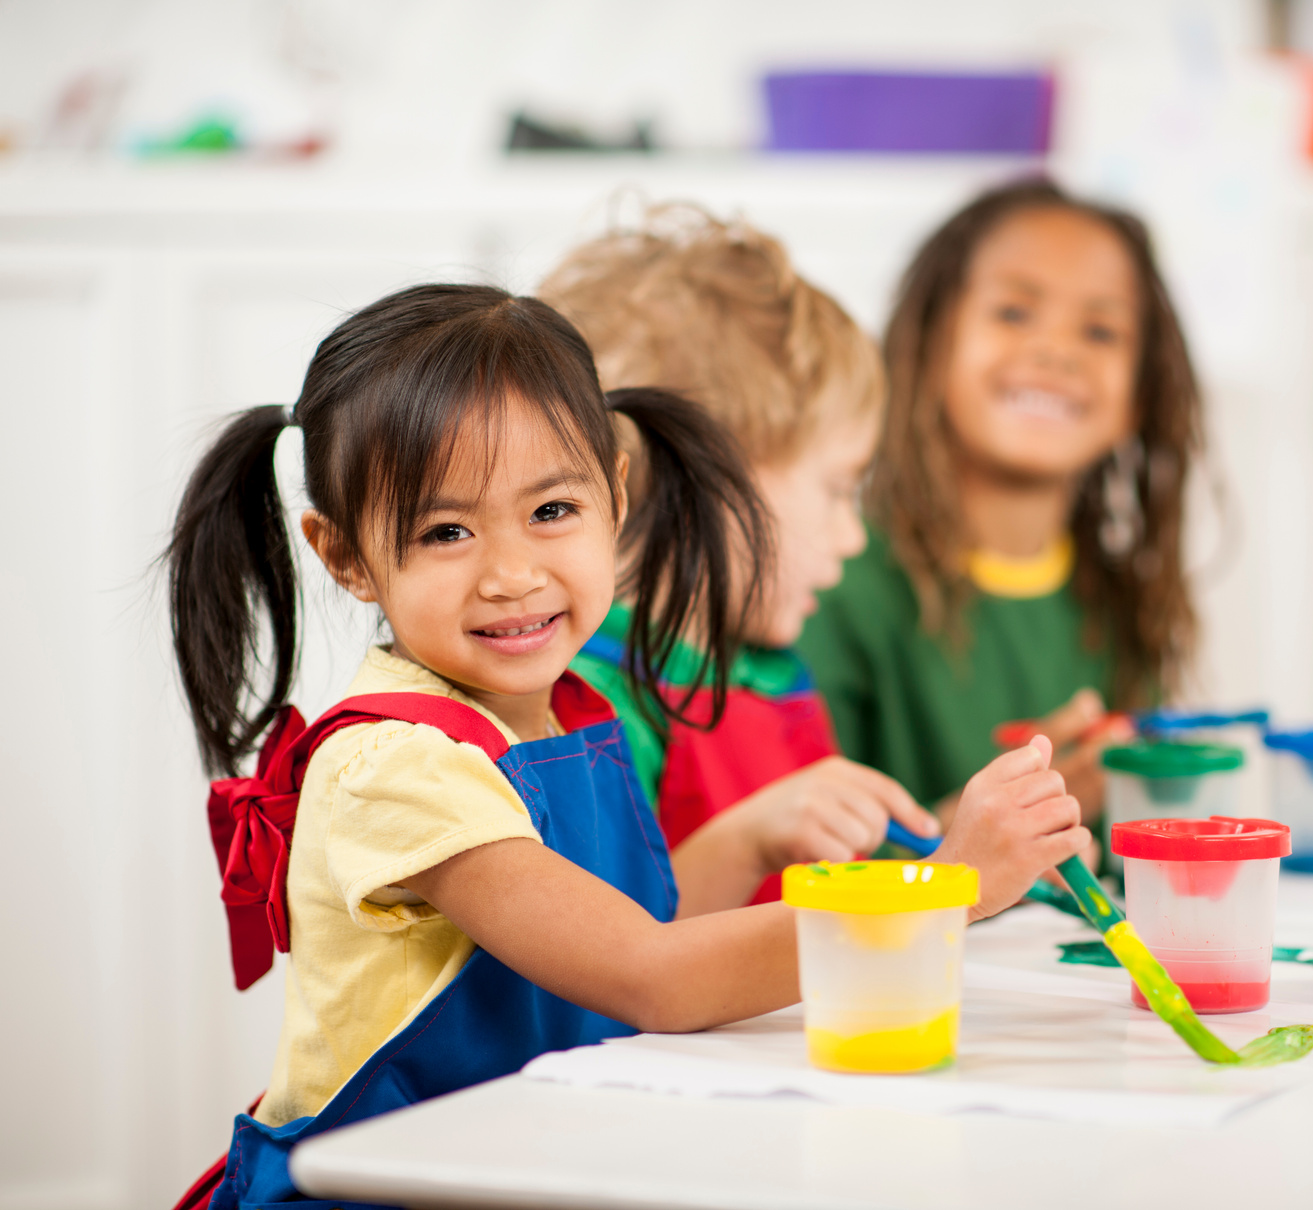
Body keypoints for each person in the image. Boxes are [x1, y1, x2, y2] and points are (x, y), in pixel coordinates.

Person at [167, 283, 1089, 1209]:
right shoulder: (400, 765)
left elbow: (606, 937)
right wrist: (948, 891)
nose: (513, 574)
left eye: (552, 512)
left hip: (529, 1163)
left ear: (613, 493)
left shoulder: (561, 709)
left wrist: (749, 837)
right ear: (345, 555)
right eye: (446, 531)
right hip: (381, 1190)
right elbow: (649, 975)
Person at [540, 206, 934, 913]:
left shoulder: (767, 674)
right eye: (838, 489)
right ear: (710, 480)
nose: (854, 536)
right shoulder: (582, 703)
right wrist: (747, 842)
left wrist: (974, 851)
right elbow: (603, 959)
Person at [796, 179, 1210, 822]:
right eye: (1014, 313)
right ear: (930, 347)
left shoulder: (1123, 600)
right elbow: (794, 874)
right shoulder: (832, 587)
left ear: (1141, 395)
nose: (1056, 351)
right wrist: (994, 828)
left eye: (1100, 331)